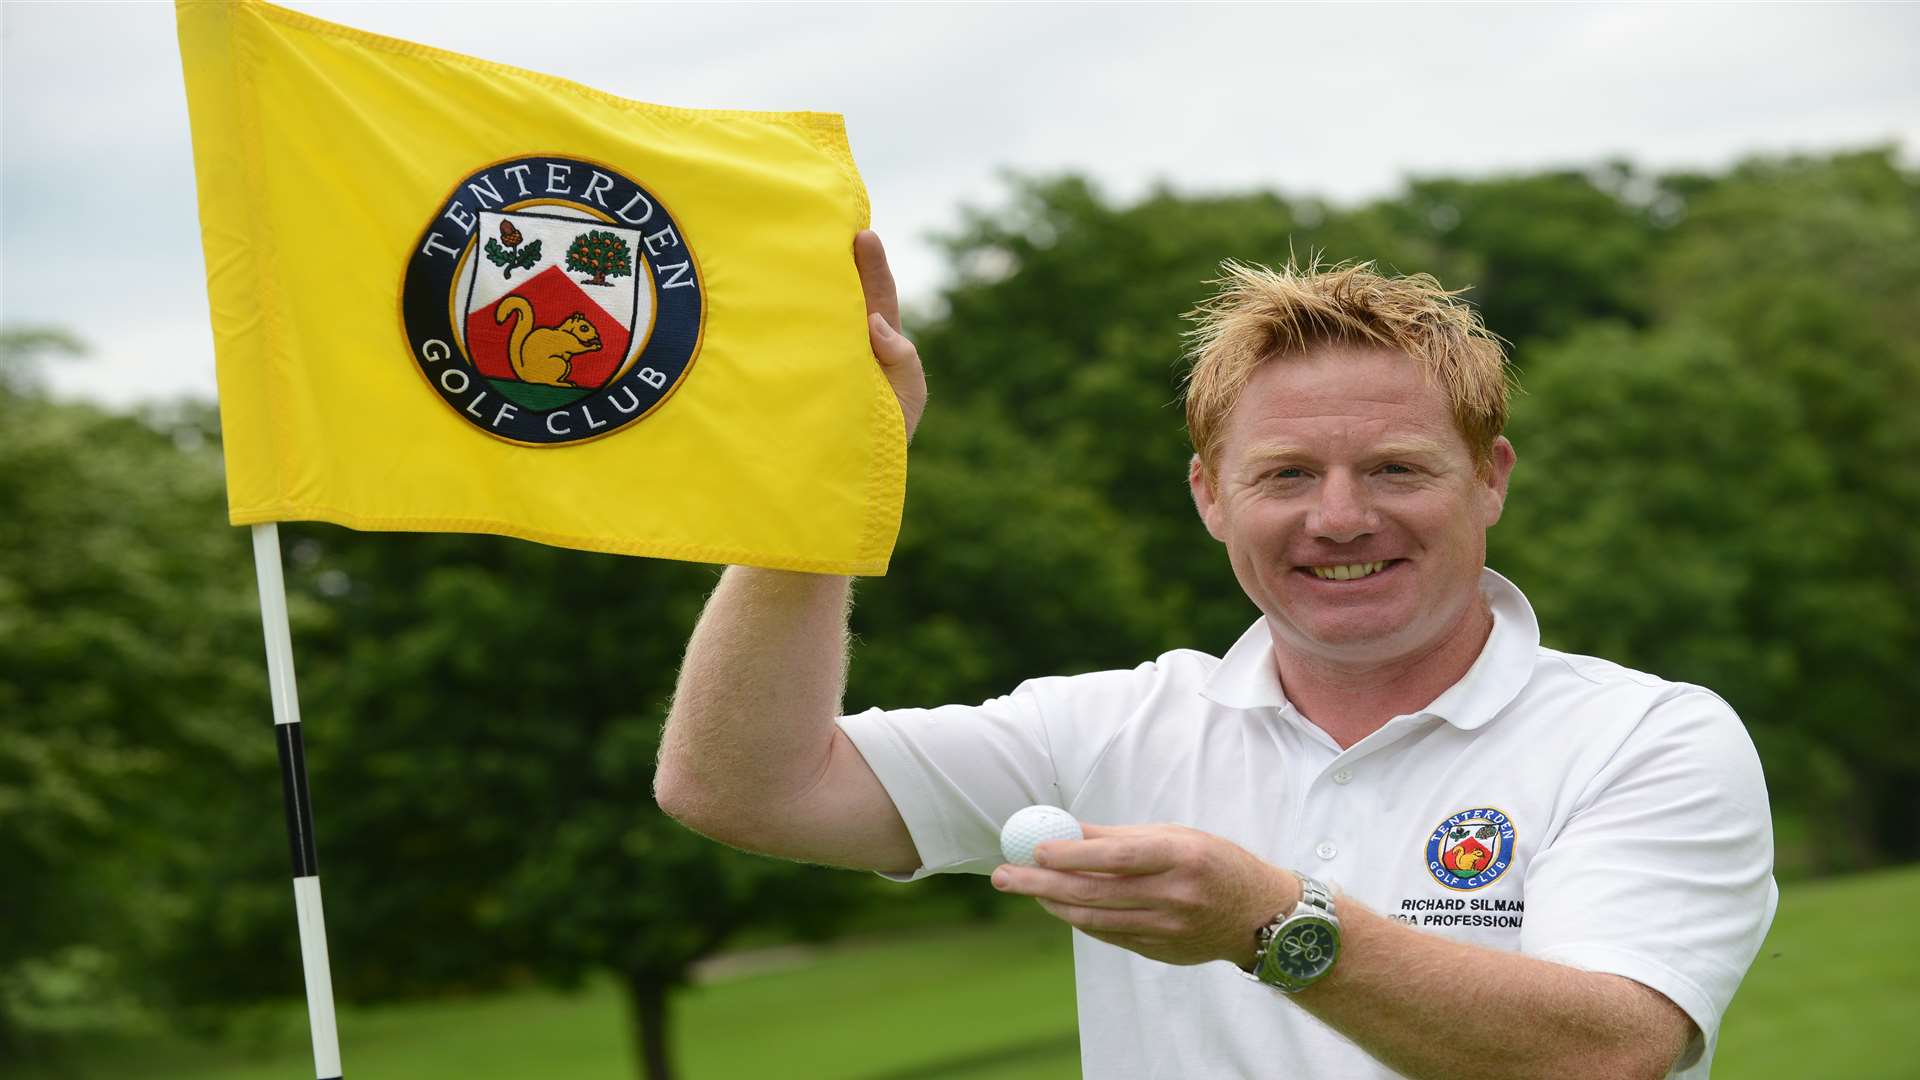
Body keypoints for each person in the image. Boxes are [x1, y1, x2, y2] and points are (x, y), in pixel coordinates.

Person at [655, 230, 1777, 1079]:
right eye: (1286, 475)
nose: (1339, 518)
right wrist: (824, 484)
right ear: (1209, 497)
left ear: (1490, 478)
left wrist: (1272, 925)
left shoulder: (1645, 735)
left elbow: (1612, 1052)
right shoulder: (1106, 729)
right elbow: (743, 785)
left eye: (1395, 468)